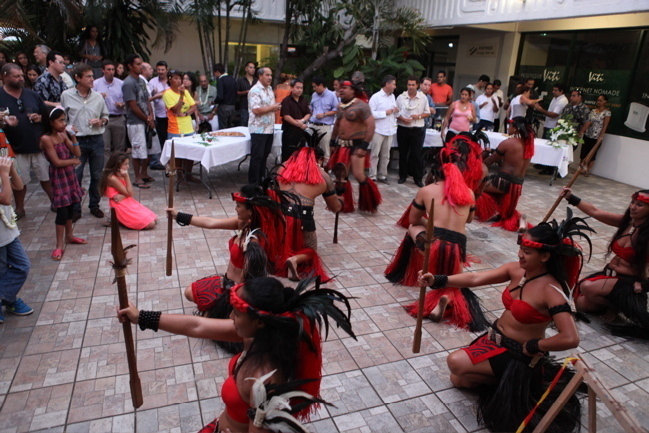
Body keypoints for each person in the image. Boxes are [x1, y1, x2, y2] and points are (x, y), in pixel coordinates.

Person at [117, 275, 355, 433]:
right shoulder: (255, 337)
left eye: (237, 314)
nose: (230, 317)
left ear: (259, 321)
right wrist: (142, 317)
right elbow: (196, 326)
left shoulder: (267, 382)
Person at [420, 215, 591, 433]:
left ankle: (516, 383)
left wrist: (536, 346)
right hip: (494, 341)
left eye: (527, 253)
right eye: (521, 249)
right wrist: (438, 280)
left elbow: (570, 337)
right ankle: (507, 385)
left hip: (519, 354)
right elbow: (475, 279)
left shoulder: (552, 290)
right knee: (459, 380)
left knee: (455, 363)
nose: (520, 255)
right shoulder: (516, 270)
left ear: (545, 256)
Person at [168, 184, 287, 353]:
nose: (236, 208)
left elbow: (253, 279)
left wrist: (238, 304)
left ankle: (222, 315)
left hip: (236, 291)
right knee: (190, 293)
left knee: (222, 325)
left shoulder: (255, 241)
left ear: (251, 211)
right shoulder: (243, 224)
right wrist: (178, 215)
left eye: (239, 205)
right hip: (225, 282)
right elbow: (211, 222)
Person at [385, 147, 488, 332]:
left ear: (435, 173)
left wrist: (428, 223)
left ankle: (410, 271)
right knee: (453, 280)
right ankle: (446, 299)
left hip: (432, 244)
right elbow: (469, 220)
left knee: (412, 228)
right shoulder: (469, 193)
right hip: (457, 247)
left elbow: (413, 220)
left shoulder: (426, 190)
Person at [563, 188, 649, 336]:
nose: (633, 207)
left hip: (629, 282)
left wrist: (644, 285)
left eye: (640, 205)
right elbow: (595, 212)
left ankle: (617, 305)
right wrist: (572, 198)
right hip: (610, 274)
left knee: (587, 287)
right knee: (582, 303)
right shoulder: (627, 223)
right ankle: (614, 303)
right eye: (633, 202)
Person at [275, 141, 342, 281]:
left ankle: (285, 258)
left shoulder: (282, 168)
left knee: (282, 243)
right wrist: (340, 200)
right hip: (304, 216)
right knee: (311, 252)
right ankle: (294, 260)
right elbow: (334, 207)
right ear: (320, 160)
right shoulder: (323, 176)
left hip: (281, 214)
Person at [0, 63, 52, 219]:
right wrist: (3, 122)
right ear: (4, 76)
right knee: (19, 182)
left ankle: (55, 203)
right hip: (14, 148)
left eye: (21, 75)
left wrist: (39, 118)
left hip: (37, 145)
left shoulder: (31, 94)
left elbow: (46, 116)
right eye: (16, 76)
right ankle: (20, 208)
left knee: (46, 177)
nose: (20, 78)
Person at [61, 63, 109, 220]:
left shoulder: (97, 97)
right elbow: (62, 120)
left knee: (97, 175)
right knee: (76, 175)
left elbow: (106, 116)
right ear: (77, 78)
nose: (92, 79)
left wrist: (100, 121)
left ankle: (94, 205)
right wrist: (68, 128)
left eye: (92, 76)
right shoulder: (66, 95)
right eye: (88, 76)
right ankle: (75, 209)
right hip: (77, 141)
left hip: (96, 140)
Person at [327, 79, 381, 213]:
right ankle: (342, 205)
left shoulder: (362, 106)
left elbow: (371, 125)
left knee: (359, 175)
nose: (341, 90)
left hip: (357, 146)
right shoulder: (340, 106)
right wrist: (332, 141)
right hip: (341, 145)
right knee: (340, 176)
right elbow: (337, 125)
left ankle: (370, 203)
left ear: (353, 90)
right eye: (340, 88)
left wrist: (364, 146)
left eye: (344, 88)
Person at [39, 107, 85, 261]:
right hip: (59, 177)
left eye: (64, 120)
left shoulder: (62, 134)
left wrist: (73, 137)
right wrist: (73, 161)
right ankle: (59, 245)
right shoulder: (46, 139)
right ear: (51, 122)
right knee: (62, 211)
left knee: (71, 206)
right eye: (60, 120)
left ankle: (69, 236)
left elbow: (77, 153)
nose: (64, 123)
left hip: (69, 175)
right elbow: (57, 162)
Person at [476, 116, 535, 232]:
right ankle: (519, 220)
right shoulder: (529, 146)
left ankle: (474, 211)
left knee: (475, 184)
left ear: (516, 128)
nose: (508, 128)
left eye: (510, 126)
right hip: (517, 186)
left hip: (502, 182)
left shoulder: (508, 143)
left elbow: (487, 162)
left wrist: (482, 155)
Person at [0, 155, 33, 324]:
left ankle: (7, 298)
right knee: (2, 271)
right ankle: (9, 300)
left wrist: (11, 168)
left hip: (8, 232)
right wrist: (4, 174)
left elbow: (19, 186)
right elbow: (5, 199)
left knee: (23, 266)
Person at [122, 54, 156, 188]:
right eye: (137, 64)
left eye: (141, 64)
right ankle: (137, 178)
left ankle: (144, 174)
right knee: (137, 150)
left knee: (148, 148)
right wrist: (146, 119)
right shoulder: (128, 83)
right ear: (130, 66)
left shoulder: (141, 81)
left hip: (147, 120)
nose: (140, 66)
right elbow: (132, 105)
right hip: (135, 122)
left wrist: (151, 115)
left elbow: (147, 99)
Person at [99, 152, 156, 230]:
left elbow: (129, 193)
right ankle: (120, 219)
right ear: (117, 165)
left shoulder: (120, 173)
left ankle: (119, 220)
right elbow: (130, 193)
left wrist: (124, 195)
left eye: (128, 164)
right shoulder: (112, 178)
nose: (128, 167)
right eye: (125, 164)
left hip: (126, 200)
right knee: (150, 224)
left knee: (153, 218)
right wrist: (126, 176)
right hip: (120, 204)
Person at [163, 69, 199, 183]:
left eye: (180, 78)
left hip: (188, 126)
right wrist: (181, 96)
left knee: (190, 152)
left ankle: (188, 174)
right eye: (176, 78)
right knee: (177, 154)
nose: (179, 81)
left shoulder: (185, 91)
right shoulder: (167, 93)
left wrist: (187, 113)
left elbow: (193, 106)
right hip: (175, 128)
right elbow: (175, 110)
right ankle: (179, 176)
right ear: (170, 80)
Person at [247, 67, 281, 185]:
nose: (270, 77)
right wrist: (272, 108)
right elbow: (256, 110)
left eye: (271, 75)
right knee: (257, 157)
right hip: (258, 129)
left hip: (269, 128)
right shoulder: (255, 90)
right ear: (260, 76)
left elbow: (269, 106)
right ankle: (253, 183)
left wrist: (274, 107)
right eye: (267, 75)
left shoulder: (270, 89)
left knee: (265, 156)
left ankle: (261, 181)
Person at [396, 76, 430, 187]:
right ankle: (402, 175)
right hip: (403, 128)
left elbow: (427, 112)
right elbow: (396, 113)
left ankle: (417, 178)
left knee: (416, 154)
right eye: (409, 85)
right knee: (403, 153)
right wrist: (402, 119)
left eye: (413, 85)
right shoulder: (401, 97)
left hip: (417, 129)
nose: (410, 87)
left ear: (417, 85)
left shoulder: (423, 98)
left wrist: (418, 116)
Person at [94, 60, 126, 162]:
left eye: (113, 69)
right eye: (108, 69)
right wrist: (99, 96)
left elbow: (127, 99)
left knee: (119, 147)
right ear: (103, 70)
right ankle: (106, 170)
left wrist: (123, 104)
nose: (111, 72)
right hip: (104, 119)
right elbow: (90, 100)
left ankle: (118, 168)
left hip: (118, 117)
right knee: (104, 146)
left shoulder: (121, 83)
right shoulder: (96, 83)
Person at [368, 75, 398, 184]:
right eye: (393, 84)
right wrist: (384, 113)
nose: (395, 86)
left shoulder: (392, 97)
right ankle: (372, 175)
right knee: (375, 154)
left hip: (389, 130)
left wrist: (396, 110)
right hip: (378, 130)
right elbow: (370, 113)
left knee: (386, 155)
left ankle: (382, 175)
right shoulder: (376, 97)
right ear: (387, 84)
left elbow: (393, 111)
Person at [308, 76, 338, 165]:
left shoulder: (332, 95)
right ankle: (312, 168)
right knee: (311, 148)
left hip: (324, 126)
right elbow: (312, 108)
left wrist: (324, 114)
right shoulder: (314, 95)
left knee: (325, 149)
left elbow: (336, 109)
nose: (314, 89)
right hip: (313, 124)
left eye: (315, 86)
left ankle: (325, 170)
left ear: (321, 85)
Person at [579, 94, 611, 176]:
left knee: (592, 153)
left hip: (596, 135)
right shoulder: (593, 111)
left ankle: (588, 170)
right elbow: (588, 121)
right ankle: (581, 168)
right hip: (588, 134)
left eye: (601, 100)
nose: (598, 102)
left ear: (605, 101)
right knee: (584, 151)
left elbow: (605, 125)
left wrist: (601, 136)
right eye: (597, 100)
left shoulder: (607, 112)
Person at [280, 79, 311, 162]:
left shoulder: (303, 100)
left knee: (300, 156)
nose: (299, 90)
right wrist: (299, 124)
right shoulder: (286, 101)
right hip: (290, 132)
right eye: (297, 88)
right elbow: (286, 116)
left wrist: (303, 121)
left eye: (301, 88)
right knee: (288, 156)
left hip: (301, 133)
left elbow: (308, 113)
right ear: (292, 88)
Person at [148, 61, 170, 158]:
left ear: (167, 70)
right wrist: (154, 95)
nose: (161, 72)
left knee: (170, 137)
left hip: (171, 114)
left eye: (163, 70)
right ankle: (162, 158)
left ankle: (170, 156)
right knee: (161, 137)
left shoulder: (171, 81)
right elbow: (148, 98)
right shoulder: (152, 82)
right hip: (159, 114)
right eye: (159, 70)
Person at [212, 63, 238, 129]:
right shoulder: (233, 79)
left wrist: (214, 101)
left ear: (217, 72)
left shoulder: (220, 80)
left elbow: (220, 96)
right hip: (233, 107)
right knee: (231, 127)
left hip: (224, 107)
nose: (214, 75)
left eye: (214, 73)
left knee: (223, 128)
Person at [236, 61, 257, 127]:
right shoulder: (240, 80)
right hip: (244, 106)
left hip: (255, 107)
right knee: (244, 125)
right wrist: (245, 92)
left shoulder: (257, 80)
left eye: (254, 68)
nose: (253, 69)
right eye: (250, 68)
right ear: (246, 69)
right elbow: (236, 92)